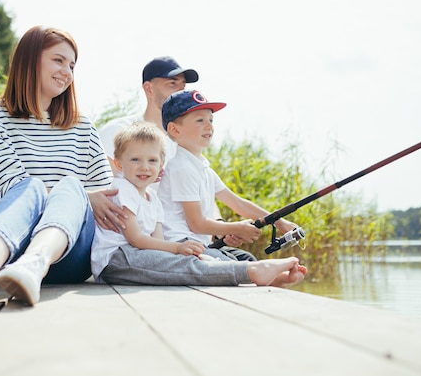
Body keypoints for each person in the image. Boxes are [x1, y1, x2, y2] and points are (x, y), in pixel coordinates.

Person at [0, 25, 126, 306]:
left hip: (69, 255)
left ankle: (34, 263)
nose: (67, 72)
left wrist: (84, 197)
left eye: (72, 65)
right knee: (30, 187)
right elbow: (6, 192)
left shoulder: (82, 126)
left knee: (71, 187)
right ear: (29, 60)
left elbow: (106, 202)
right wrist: (85, 197)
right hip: (8, 247)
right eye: (58, 60)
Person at [92, 123, 307, 286]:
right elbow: (136, 239)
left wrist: (180, 251)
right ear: (119, 164)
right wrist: (177, 248)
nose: (144, 167)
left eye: (152, 161)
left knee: (199, 258)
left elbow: (157, 242)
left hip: (138, 255)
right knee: (184, 265)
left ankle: (262, 277)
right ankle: (253, 272)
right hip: (116, 260)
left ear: (160, 166)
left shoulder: (151, 198)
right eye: (135, 160)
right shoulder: (123, 189)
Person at [99, 56, 257, 261]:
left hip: (188, 236)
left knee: (244, 260)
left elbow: (203, 190)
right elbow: (108, 185)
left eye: (183, 85)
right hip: (147, 236)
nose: (180, 90)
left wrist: (220, 226)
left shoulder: (183, 142)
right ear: (149, 88)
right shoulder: (118, 131)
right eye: (172, 84)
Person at [158, 89, 300, 250]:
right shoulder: (181, 167)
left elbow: (238, 204)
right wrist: (236, 228)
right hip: (180, 243)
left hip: (198, 244)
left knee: (246, 258)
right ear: (175, 130)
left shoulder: (202, 168)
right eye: (200, 120)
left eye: (211, 120)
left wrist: (281, 222)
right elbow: (197, 224)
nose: (209, 126)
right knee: (246, 269)